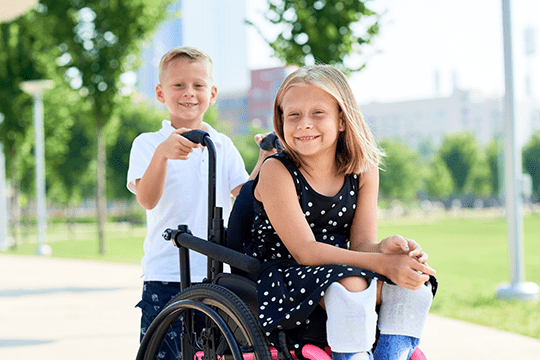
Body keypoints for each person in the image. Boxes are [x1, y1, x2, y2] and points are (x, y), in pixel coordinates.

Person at [244, 64, 438, 360]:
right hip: (282, 272)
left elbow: (361, 245)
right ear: (281, 120)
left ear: (343, 120)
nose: (304, 124)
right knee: (353, 284)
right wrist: (381, 264)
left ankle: (391, 355)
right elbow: (306, 252)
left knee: (413, 284)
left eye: (318, 113)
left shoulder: (363, 169)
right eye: (293, 115)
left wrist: (386, 250)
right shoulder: (276, 171)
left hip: (339, 265)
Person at [127, 46, 271, 359]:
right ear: (161, 93)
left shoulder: (222, 143)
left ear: (213, 93)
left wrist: (265, 159)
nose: (189, 93)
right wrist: (163, 154)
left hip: (216, 274)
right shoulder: (149, 143)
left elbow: (244, 195)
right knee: (164, 352)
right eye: (178, 85)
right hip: (166, 274)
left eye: (198, 85)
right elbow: (147, 200)